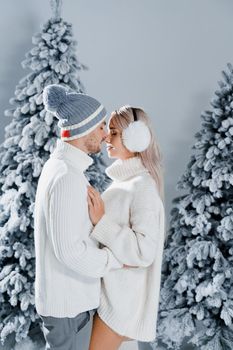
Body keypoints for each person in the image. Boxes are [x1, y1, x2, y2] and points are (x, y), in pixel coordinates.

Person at [34, 84, 125, 350]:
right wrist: (113, 260)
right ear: (82, 129)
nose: (105, 134)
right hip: (69, 309)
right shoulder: (66, 177)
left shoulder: (64, 170)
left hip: (69, 306)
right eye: (100, 126)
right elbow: (70, 252)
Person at [87, 106, 165, 350]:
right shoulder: (125, 184)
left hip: (120, 305)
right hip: (114, 298)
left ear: (136, 138)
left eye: (114, 133)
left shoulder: (142, 186)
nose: (106, 139)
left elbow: (144, 251)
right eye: (108, 131)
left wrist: (102, 221)